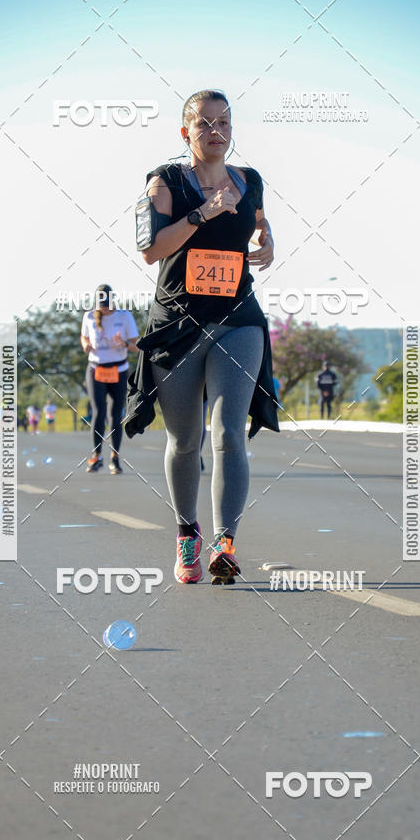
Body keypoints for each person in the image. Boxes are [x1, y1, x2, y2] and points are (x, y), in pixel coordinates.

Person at [125, 88, 279, 585]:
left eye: (224, 123)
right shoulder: (164, 182)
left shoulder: (249, 180)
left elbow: (257, 218)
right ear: (185, 132)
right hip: (178, 324)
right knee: (185, 438)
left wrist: (268, 238)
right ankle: (187, 534)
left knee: (229, 432)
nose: (216, 131)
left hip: (238, 317)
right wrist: (202, 213)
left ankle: (225, 544)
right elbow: (150, 249)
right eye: (205, 123)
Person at [81, 284, 139, 474]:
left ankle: (115, 458)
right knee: (98, 412)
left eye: (107, 304)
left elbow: (136, 346)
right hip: (96, 369)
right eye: (102, 305)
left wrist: (123, 343)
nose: (105, 309)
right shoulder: (89, 316)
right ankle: (96, 456)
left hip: (118, 370)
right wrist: (86, 345)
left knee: (115, 415)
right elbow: (84, 336)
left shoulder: (124, 316)